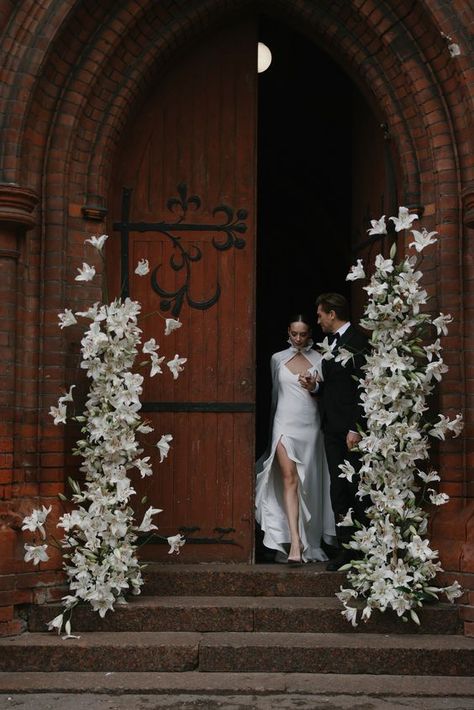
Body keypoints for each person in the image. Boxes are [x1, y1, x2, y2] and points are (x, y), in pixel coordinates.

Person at [255, 315, 336, 564]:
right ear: (288, 333)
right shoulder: (277, 359)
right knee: (289, 479)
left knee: (307, 483)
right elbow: (275, 396)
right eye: (294, 334)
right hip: (284, 425)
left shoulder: (321, 358)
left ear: (310, 333)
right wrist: (271, 433)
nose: (298, 339)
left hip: (310, 427)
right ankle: (294, 543)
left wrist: (313, 387)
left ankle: (308, 539)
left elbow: (325, 396)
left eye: (303, 334)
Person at [301, 293, 368, 571]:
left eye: (319, 315)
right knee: (338, 489)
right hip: (331, 428)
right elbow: (334, 386)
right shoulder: (330, 344)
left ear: (331, 313)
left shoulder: (359, 342)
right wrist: (314, 387)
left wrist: (356, 427)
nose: (318, 320)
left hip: (350, 432)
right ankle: (345, 549)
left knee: (355, 488)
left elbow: (365, 386)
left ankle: (361, 551)